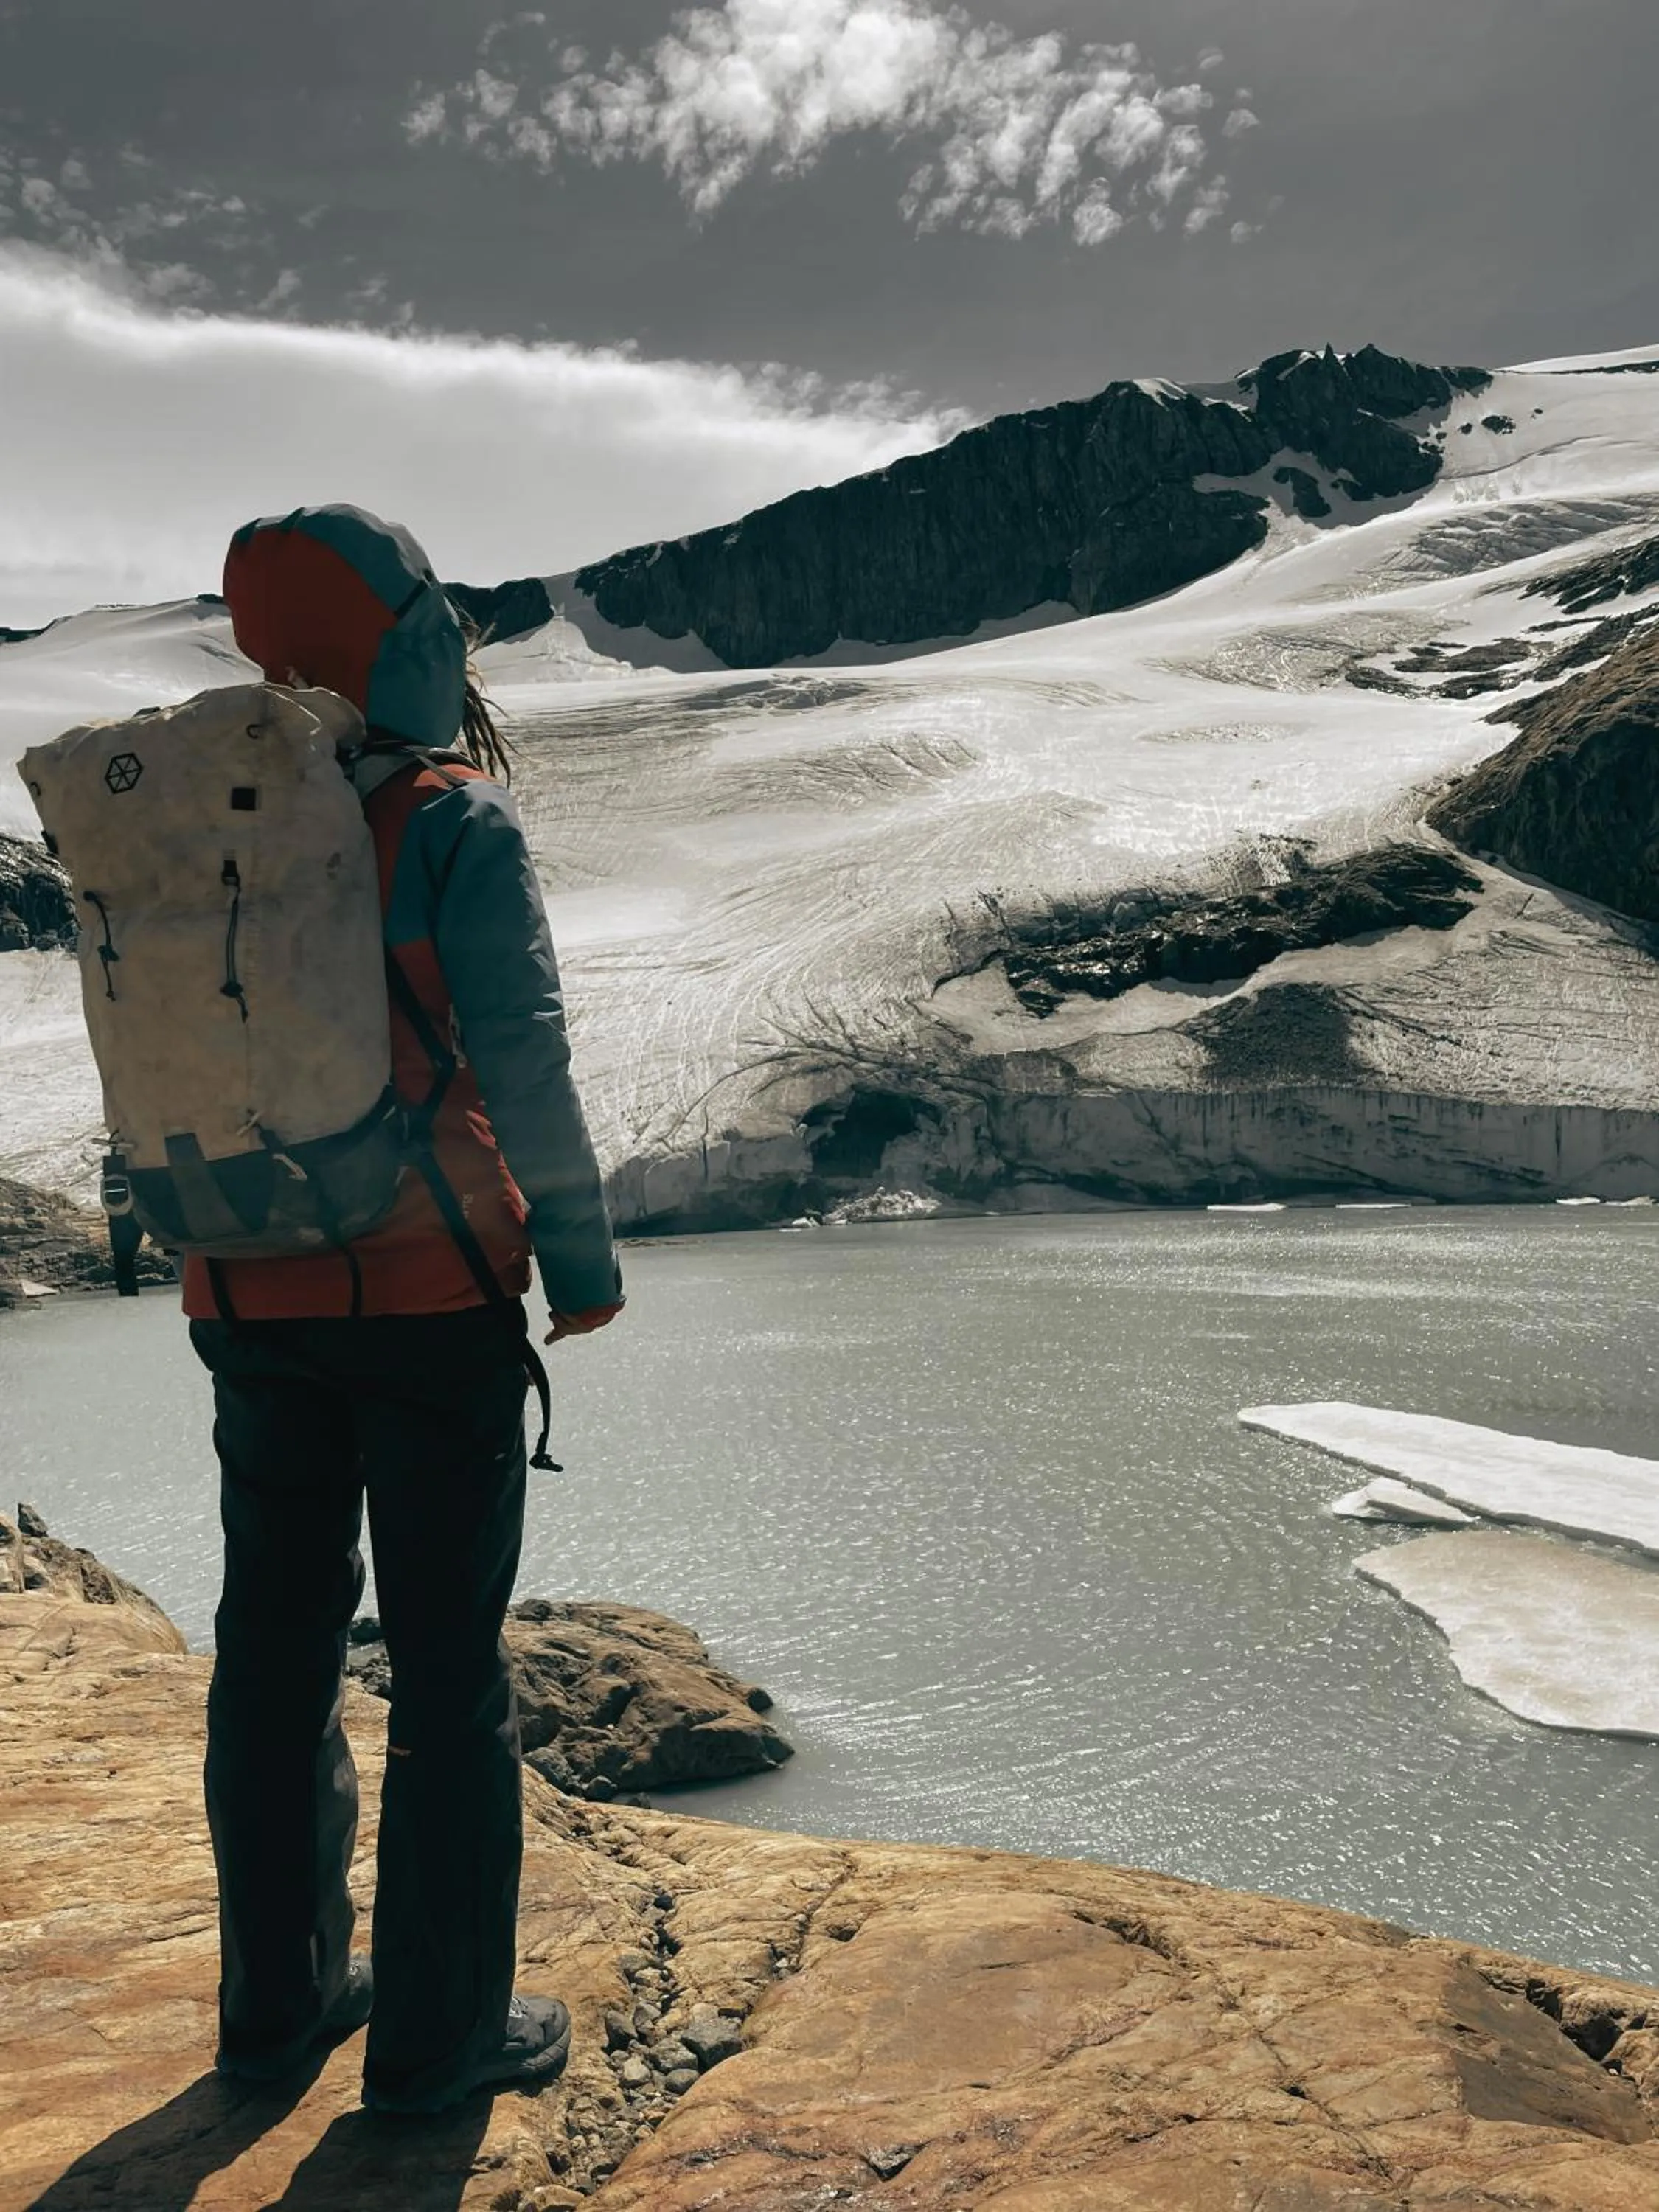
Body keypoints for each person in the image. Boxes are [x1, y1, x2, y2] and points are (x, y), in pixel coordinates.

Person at [189, 505, 623, 2114]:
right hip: (427, 1300)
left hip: (241, 1296)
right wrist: (581, 1269)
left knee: (273, 1646)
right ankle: (440, 2048)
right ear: (405, 637)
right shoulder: (446, 825)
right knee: (450, 1676)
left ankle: (274, 2010)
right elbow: (526, 1063)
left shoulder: (204, 824)